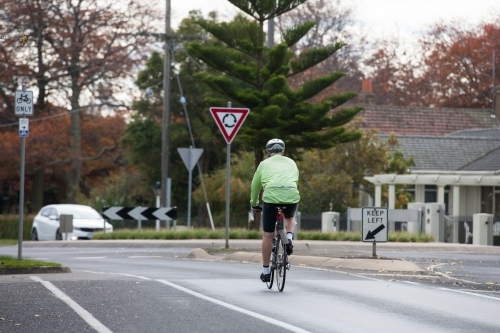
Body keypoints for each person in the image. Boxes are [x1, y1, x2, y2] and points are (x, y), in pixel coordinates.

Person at [250, 138, 300, 283]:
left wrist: (254, 203)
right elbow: (295, 180)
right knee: (290, 216)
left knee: (268, 235)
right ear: (283, 151)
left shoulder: (263, 164)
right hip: (291, 194)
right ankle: (289, 237)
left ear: (268, 152)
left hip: (271, 197)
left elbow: (255, 186)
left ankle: (266, 271)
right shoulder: (291, 162)